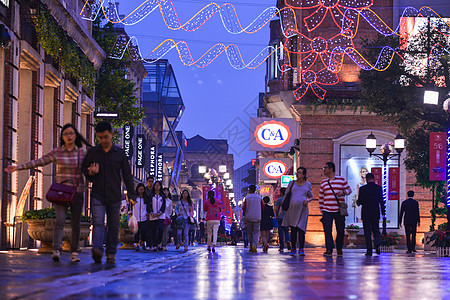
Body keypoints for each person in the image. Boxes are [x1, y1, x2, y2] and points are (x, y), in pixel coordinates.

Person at [4, 124, 89, 263]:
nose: (69, 136)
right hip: (60, 192)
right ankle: (56, 250)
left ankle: (74, 252)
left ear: (75, 136)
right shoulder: (57, 152)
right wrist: (18, 167)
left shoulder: (82, 153)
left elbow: (91, 166)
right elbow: (39, 161)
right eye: (65, 134)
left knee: (76, 223)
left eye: (71, 133)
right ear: (62, 137)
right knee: (60, 220)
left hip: (77, 191)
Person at [82, 121, 136, 264]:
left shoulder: (119, 153)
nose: (103, 140)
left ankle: (111, 252)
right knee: (98, 222)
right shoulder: (93, 152)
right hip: (98, 194)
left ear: (111, 135)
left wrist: (131, 194)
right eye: (100, 138)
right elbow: (85, 171)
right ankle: (97, 249)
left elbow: (127, 175)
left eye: (105, 137)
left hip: (114, 195)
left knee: (113, 225)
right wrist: (90, 173)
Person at [319, 162, 352, 256]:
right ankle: (329, 248)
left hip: (338, 210)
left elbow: (349, 190)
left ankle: (339, 248)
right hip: (327, 210)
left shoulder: (341, 180)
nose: (324, 170)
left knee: (340, 230)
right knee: (327, 230)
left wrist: (343, 192)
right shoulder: (324, 182)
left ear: (331, 169)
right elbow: (321, 197)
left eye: (325, 168)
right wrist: (322, 209)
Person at [282, 167, 313, 256]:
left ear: (303, 175)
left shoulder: (307, 184)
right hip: (292, 209)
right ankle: (293, 248)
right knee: (293, 229)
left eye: (299, 173)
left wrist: (308, 200)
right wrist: (281, 208)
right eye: (297, 172)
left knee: (301, 229)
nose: (297, 174)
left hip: (302, 210)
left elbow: (311, 196)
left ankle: (302, 248)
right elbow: (286, 195)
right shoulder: (292, 183)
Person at [356, 173, 384, 256]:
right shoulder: (379, 188)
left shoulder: (363, 189)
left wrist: (358, 202)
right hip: (375, 212)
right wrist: (383, 213)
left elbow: (360, 201)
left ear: (366, 179)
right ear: (373, 179)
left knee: (367, 231)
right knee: (376, 229)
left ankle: (369, 250)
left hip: (366, 212)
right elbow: (381, 201)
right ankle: (377, 244)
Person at [242, 185, 264, 253]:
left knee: (249, 233)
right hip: (257, 217)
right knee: (256, 232)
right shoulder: (259, 198)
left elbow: (244, 208)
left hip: (249, 217)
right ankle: (255, 245)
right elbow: (262, 207)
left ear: (249, 190)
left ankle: (251, 246)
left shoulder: (247, 198)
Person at [147, 181, 166, 251]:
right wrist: (151, 212)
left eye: (158, 185)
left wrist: (160, 212)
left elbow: (164, 205)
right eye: (156, 185)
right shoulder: (151, 195)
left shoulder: (162, 196)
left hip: (161, 216)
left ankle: (159, 242)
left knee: (161, 229)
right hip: (153, 215)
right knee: (154, 230)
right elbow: (149, 204)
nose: (157, 187)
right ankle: (155, 245)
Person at [133, 183, 149, 251]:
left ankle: (143, 242)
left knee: (144, 231)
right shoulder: (134, 198)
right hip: (136, 217)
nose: (141, 191)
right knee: (136, 231)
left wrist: (147, 214)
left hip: (144, 217)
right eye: (140, 189)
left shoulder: (146, 198)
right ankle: (136, 244)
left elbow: (148, 206)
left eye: (142, 189)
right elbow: (131, 206)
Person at [275, 187, 291, 252]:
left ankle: (281, 247)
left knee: (281, 232)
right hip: (287, 217)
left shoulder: (279, 200)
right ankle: (288, 240)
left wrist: (276, 216)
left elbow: (276, 209)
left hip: (280, 217)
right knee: (286, 231)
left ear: (281, 192)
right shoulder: (289, 200)